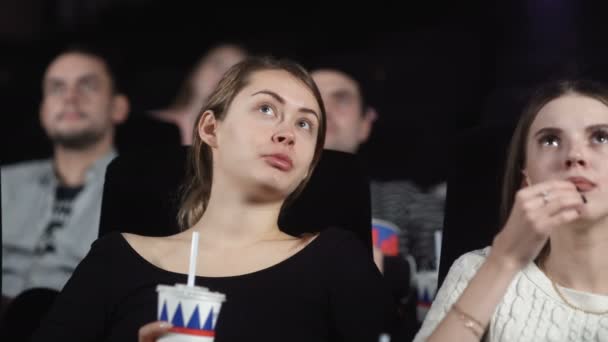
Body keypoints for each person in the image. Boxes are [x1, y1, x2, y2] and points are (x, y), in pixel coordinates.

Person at [31, 57, 400, 342]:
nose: (287, 132)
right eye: (266, 109)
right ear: (210, 128)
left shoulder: (337, 258)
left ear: (310, 164)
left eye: (305, 124)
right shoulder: (114, 258)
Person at [414, 79, 608, 341]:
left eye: (600, 137)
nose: (574, 155)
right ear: (525, 176)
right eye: (550, 140)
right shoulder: (476, 269)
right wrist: (503, 262)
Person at [1, 46, 129, 305]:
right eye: (57, 88)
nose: (70, 97)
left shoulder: (138, 191)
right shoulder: (5, 181)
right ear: (43, 112)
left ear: (118, 107)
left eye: (88, 86)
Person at [311, 67, 445, 272]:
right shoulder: (261, 197)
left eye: (341, 99)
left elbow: (446, 277)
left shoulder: (406, 200)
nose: (324, 109)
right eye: (311, 97)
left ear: (365, 123)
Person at [151, 43, 247, 144]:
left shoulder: (233, 146)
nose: (222, 74)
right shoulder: (142, 125)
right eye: (217, 63)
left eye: (233, 73)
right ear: (197, 68)